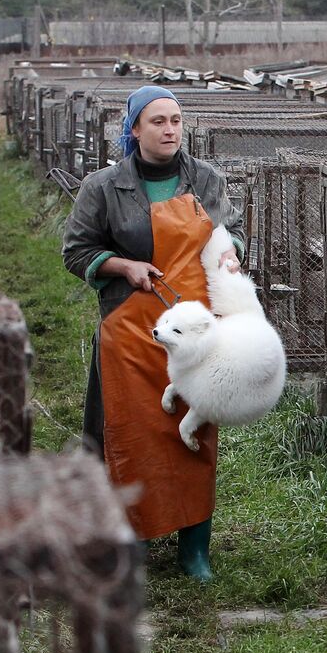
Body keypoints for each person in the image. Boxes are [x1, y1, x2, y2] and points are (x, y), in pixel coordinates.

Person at [62, 85, 246, 581]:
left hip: (193, 332)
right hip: (131, 329)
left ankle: (195, 550)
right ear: (135, 130)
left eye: (176, 120)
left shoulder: (206, 180)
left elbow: (231, 235)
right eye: (158, 121)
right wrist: (123, 266)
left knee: (194, 432)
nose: (169, 130)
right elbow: (76, 252)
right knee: (130, 434)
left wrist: (231, 255)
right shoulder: (103, 187)